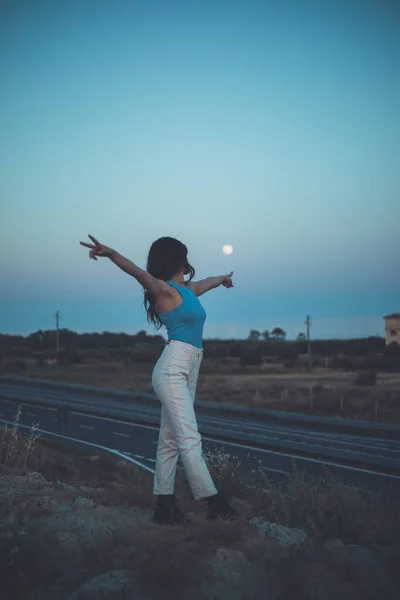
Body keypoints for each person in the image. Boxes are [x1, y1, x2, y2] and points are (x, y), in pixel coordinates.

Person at [80, 234, 237, 524]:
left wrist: (222, 278)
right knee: (190, 437)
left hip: (189, 367)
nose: (188, 262)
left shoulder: (187, 290)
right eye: (184, 256)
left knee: (169, 441)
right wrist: (112, 252)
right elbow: (138, 273)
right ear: (176, 258)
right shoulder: (163, 290)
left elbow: (207, 283)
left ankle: (164, 507)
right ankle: (213, 502)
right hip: (172, 368)